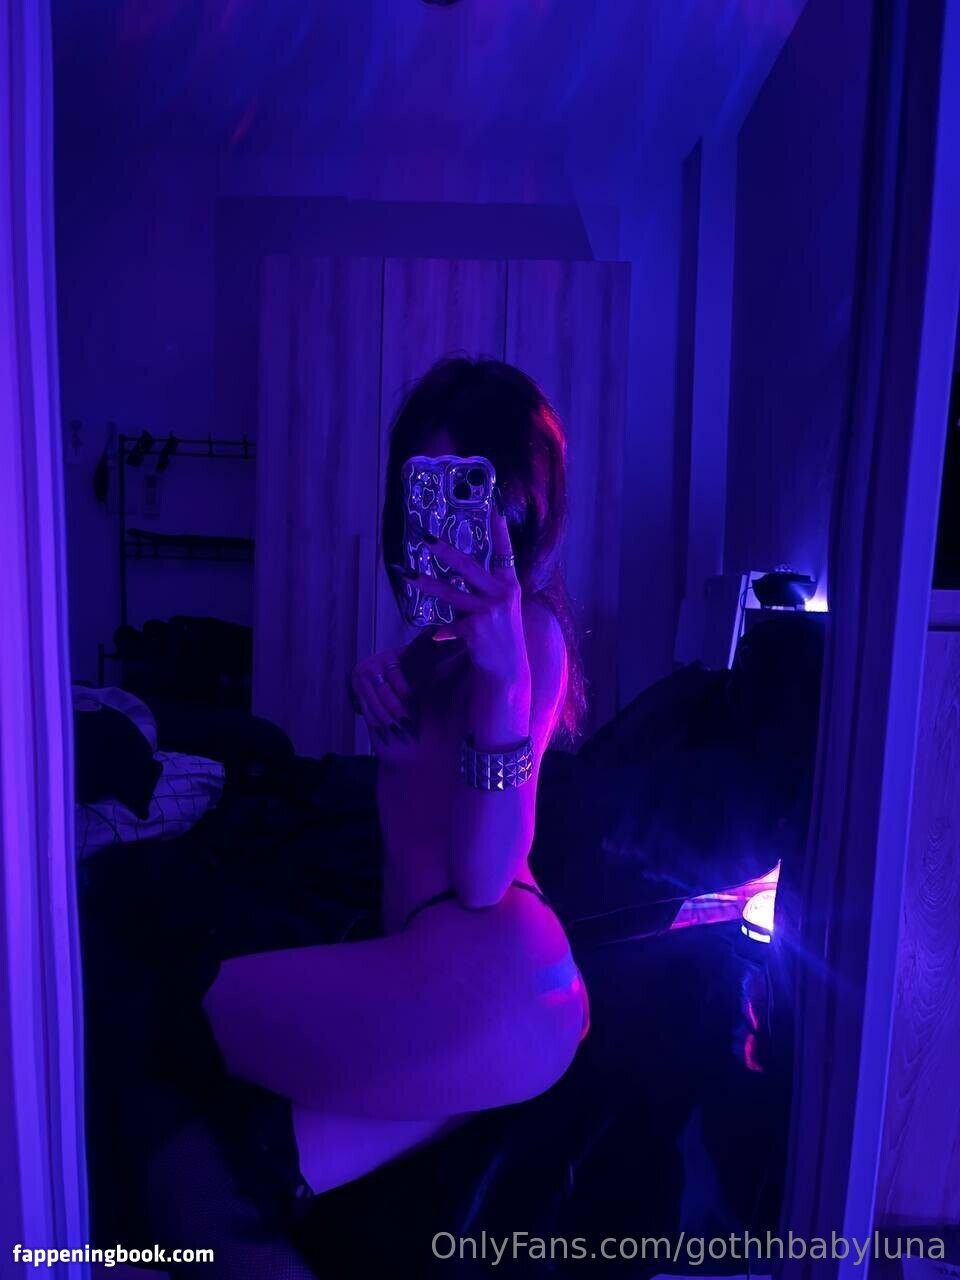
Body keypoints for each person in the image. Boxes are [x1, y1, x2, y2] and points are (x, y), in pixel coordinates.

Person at [203, 356, 590, 1198]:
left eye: (467, 489)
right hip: (470, 994)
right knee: (246, 1179)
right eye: (424, 490)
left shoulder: (530, 635)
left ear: (518, 505)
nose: (441, 522)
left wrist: (505, 684)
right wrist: (376, 699)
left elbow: (483, 877)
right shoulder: (437, 649)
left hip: (490, 976)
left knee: (187, 1013)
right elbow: (416, 800)